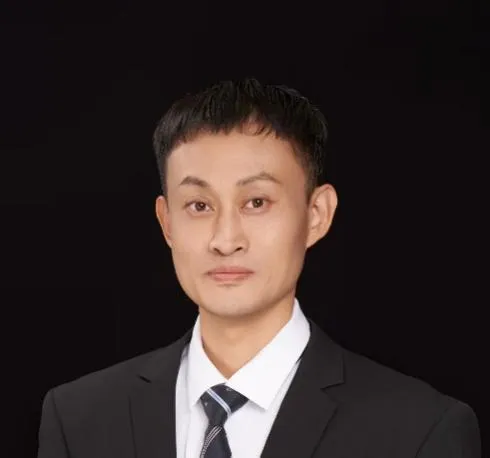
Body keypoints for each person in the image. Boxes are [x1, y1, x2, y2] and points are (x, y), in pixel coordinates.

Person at [37, 78, 481, 458]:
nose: (225, 239)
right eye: (199, 205)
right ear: (166, 222)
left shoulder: (418, 431)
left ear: (316, 214)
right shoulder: (79, 419)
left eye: (256, 202)